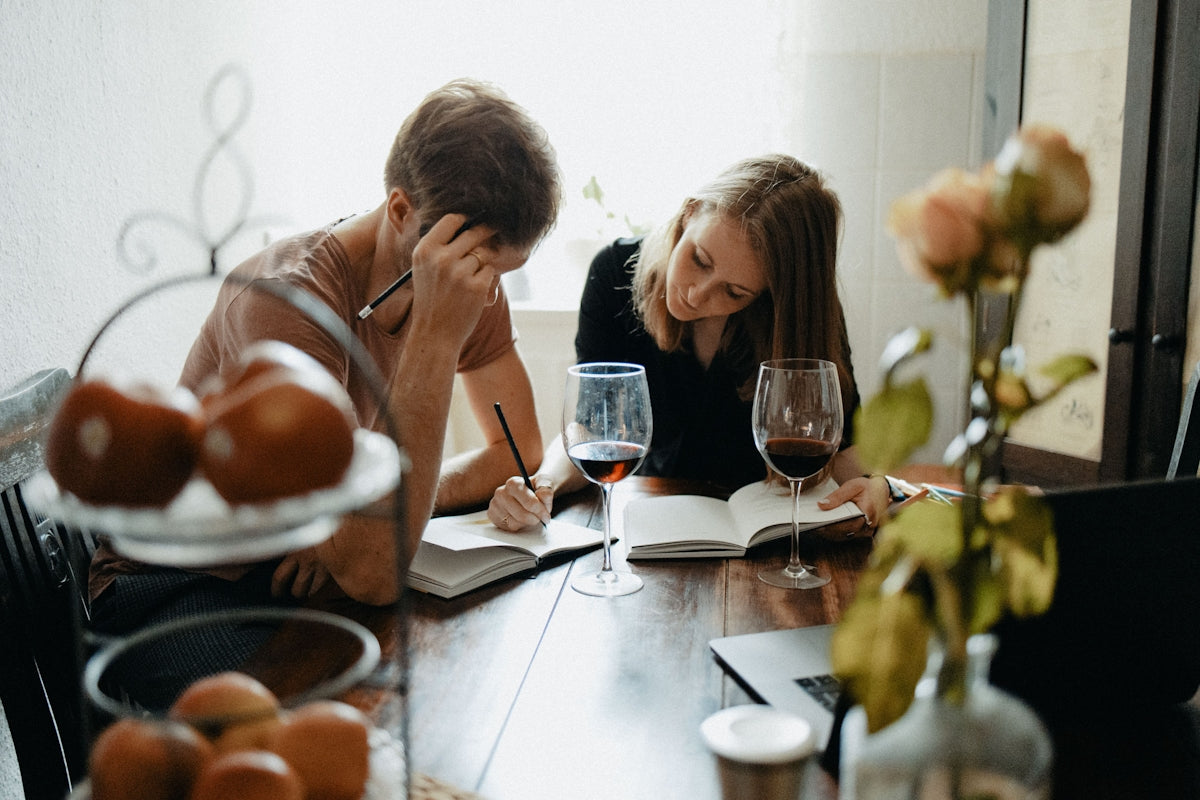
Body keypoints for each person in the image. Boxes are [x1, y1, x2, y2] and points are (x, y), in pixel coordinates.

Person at [88, 79, 563, 627]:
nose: (485, 293)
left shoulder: (471, 277)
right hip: (181, 583)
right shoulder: (288, 302)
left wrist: (357, 523)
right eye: (480, 269)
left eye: (501, 274)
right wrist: (435, 338)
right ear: (402, 210)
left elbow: (517, 452)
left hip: (299, 578)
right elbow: (372, 572)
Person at [487, 154, 891, 535]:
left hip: (769, 534)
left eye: (734, 292)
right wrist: (543, 483)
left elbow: (843, 449)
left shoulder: (798, 316)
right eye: (699, 259)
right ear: (690, 212)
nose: (697, 296)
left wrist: (876, 486)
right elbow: (590, 431)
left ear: (769, 293)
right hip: (650, 525)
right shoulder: (613, 273)